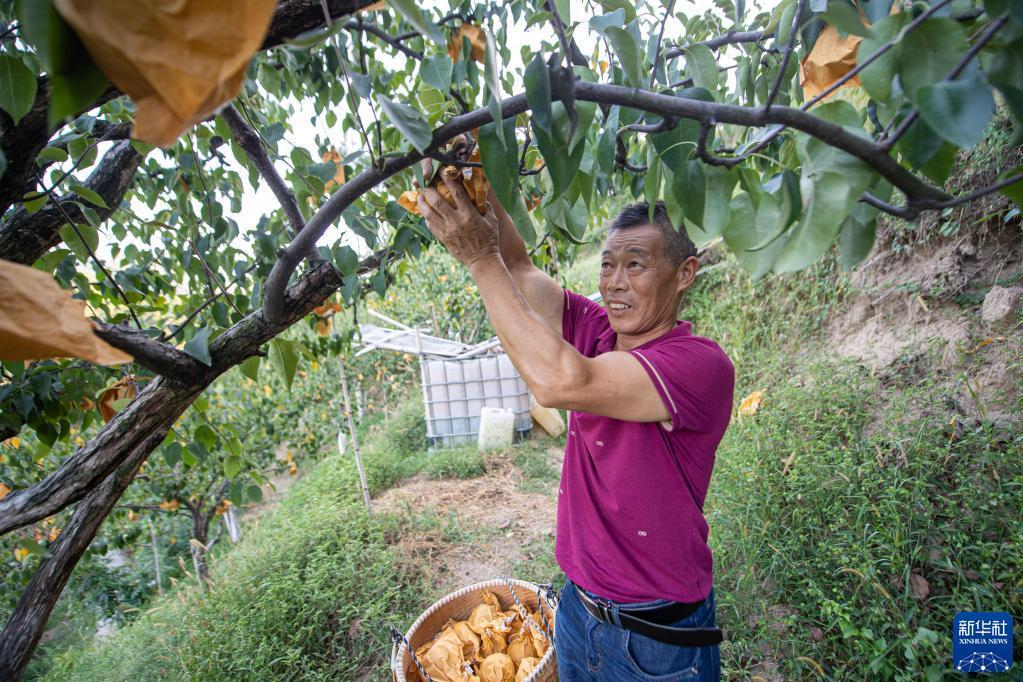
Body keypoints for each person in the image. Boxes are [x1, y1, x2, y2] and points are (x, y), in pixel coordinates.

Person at [416, 155, 734, 681]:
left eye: (636, 265)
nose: (614, 283)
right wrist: (470, 173)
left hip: (654, 641)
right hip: (577, 612)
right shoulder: (596, 330)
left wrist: (476, 259)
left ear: (685, 274)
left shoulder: (699, 365)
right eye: (608, 264)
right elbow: (517, 269)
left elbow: (562, 382)